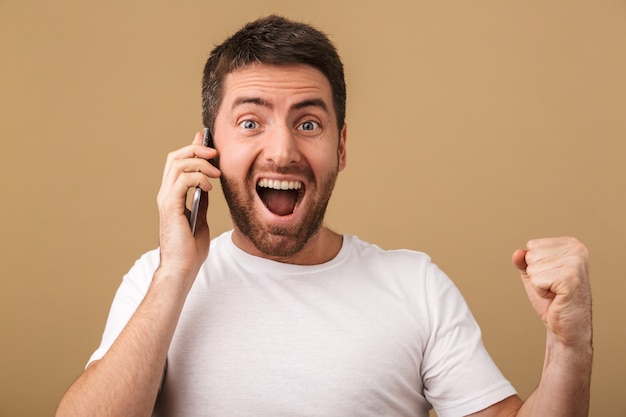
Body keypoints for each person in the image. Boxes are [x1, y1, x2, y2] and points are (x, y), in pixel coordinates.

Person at [56, 15, 593, 417]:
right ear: (208, 147)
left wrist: (569, 347)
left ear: (340, 148)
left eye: (308, 124)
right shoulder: (154, 282)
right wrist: (175, 273)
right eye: (250, 122)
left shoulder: (415, 285)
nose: (283, 151)